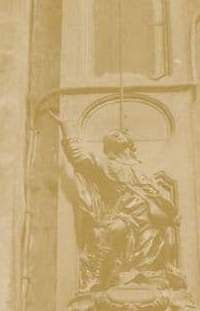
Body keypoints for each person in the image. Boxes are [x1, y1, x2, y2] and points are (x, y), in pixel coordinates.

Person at [47, 110, 185, 294]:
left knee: (151, 252)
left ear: (129, 142)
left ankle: (147, 278)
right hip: (123, 215)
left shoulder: (141, 168)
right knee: (114, 230)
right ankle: (97, 277)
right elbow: (79, 159)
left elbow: (156, 195)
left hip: (148, 220)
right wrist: (66, 127)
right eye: (113, 136)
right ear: (109, 146)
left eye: (120, 134)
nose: (118, 135)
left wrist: (172, 215)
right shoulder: (106, 164)